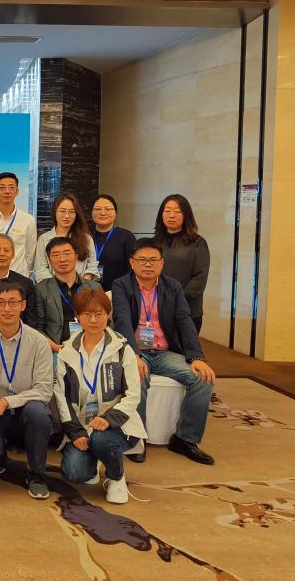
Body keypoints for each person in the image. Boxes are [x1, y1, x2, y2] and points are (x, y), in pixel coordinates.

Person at [112, 238, 216, 465]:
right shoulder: (121, 285)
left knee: (202, 378)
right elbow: (122, 321)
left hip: (164, 352)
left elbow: (184, 321)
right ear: (132, 263)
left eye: (153, 260)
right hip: (137, 351)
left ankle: (185, 439)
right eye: (142, 260)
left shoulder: (173, 286)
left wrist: (197, 357)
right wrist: (133, 355)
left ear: (162, 263)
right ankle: (136, 438)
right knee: (137, 375)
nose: (147, 264)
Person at [54, 288, 146, 504]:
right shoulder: (67, 352)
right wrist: (75, 432)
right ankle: (95, 458)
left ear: (108, 315)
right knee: (75, 473)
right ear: (77, 316)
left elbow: (133, 395)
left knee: (102, 439)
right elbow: (61, 396)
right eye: (87, 314)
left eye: (99, 314)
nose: (93, 320)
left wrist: (108, 419)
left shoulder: (122, 349)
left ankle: (116, 477)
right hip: (82, 425)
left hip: (117, 425)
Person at [0, 280, 55, 499]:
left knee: (39, 412)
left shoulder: (38, 341)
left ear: (23, 305)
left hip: (25, 409)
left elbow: (44, 390)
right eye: (0, 302)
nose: (7, 308)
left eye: (13, 302)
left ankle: (37, 475)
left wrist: (6, 402)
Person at [31, 237, 103, 352]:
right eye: (56, 255)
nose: (62, 259)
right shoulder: (41, 289)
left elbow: (104, 321)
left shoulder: (94, 287)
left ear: (76, 256)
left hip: (91, 349)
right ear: (49, 259)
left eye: (67, 253)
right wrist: (56, 347)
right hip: (55, 350)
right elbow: (37, 328)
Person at [155, 194, 211, 332]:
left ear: (186, 215)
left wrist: (176, 300)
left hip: (187, 310)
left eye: (178, 211)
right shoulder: (155, 242)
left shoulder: (198, 243)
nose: (172, 215)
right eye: (167, 211)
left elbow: (200, 278)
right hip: (156, 308)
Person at [0, 172, 37, 276]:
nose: (7, 191)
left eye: (11, 187)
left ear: (17, 191)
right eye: (2, 187)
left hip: (17, 277)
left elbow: (30, 254)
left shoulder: (28, 220)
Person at [32, 193, 99, 283]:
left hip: (82, 288)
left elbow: (92, 266)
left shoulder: (86, 239)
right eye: (62, 211)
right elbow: (41, 269)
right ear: (55, 212)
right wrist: (56, 287)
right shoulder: (44, 239)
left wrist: (82, 284)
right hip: (52, 289)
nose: (67, 216)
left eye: (71, 212)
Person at [90, 194, 137, 291]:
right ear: (91, 212)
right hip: (87, 291)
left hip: (118, 291)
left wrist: (118, 290)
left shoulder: (127, 237)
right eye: (97, 209)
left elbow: (133, 268)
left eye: (108, 209)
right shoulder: (84, 235)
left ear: (115, 212)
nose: (103, 213)